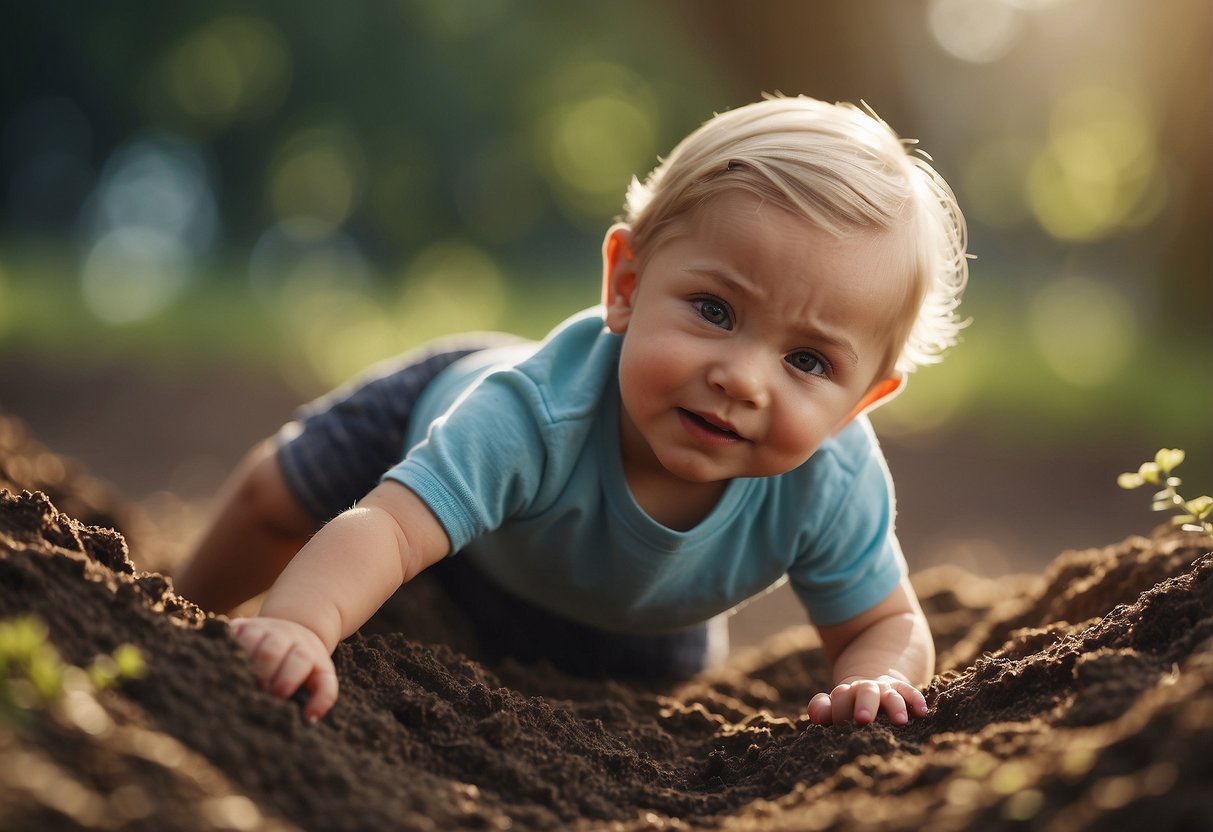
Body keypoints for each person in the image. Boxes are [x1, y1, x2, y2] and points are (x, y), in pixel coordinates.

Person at [175, 94, 969, 726]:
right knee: (277, 499)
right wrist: (302, 629)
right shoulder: (533, 415)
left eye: (807, 361)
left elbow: (884, 627)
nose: (742, 380)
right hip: (426, 429)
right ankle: (174, 614)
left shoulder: (832, 483)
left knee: (649, 683)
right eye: (714, 312)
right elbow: (383, 528)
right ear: (625, 285)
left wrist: (875, 685)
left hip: (635, 615)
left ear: (860, 402)